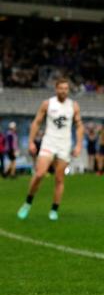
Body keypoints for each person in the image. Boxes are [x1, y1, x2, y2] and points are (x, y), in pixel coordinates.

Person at [17, 79, 84, 221]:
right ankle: (27, 203)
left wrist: (78, 145)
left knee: (59, 178)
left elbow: (79, 126)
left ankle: (54, 209)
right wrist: (31, 142)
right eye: (61, 88)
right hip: (49, 142)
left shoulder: (74, 106)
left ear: (68, 90)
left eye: (66, 88)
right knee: (40, 173)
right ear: (56, 89)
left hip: (64, 145)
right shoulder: (48, 104)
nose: (63, 91)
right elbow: (36, 122)